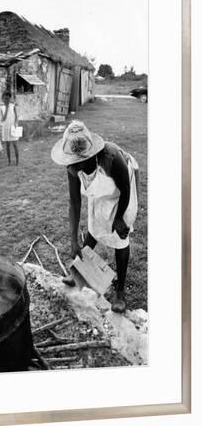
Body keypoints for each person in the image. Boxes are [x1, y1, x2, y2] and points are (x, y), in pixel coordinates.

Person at [51, 120, 139, 313]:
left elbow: (125, 190)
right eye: (71, 161)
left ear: (89, 155)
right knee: (94, 228)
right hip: (99, 191)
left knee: (120, 237)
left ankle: (120, 291)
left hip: (121, 193)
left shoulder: (112, 157)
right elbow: (74, 203)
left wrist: (118, 219)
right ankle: (78, 272)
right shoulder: (72, 168)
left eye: (77, 161)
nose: (73, 166)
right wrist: (73, 240)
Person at [0, 91, 19, 165]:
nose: (6, 100)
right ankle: (9, 161)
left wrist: (16, 123)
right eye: (5, 98)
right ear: (2, 99)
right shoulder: (1, 108)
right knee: (7, 145)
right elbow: (3, 119)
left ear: (9, 98)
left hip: (12, 127)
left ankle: (17, 161)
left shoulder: (13, 106)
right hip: (5, 127)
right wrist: (6, 109)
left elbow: (16, 116)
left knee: (15, 144)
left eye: (8, 98)